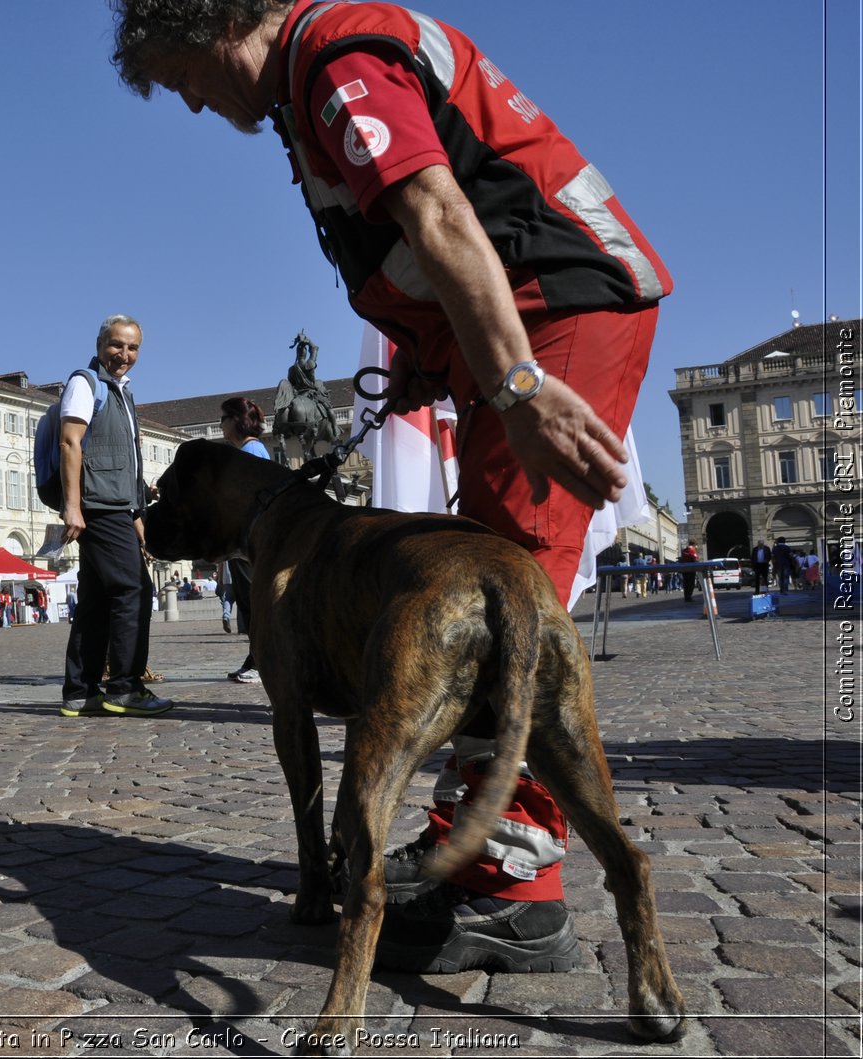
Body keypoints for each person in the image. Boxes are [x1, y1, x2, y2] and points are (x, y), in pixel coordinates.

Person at [112, 0, 669, 972]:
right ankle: (484, 840)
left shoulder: (332, 58)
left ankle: (513, 884)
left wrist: (517, 383)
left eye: (179, 78)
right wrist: (427, 348)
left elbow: (439, 212)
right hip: (510, 319)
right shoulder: (311, 83)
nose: (194, 105)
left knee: (513, 588)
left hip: (548, 312)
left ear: (209, 30)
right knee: (482, 579)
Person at [58, 314, 173, 719]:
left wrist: (138, 520)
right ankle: (124, 687)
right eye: (116, 345)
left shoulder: (121, 394)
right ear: (99, 343)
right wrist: (72, 506)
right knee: (134, 590)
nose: (124, 354)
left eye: (132, 348)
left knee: (95, 600)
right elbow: (70, 442)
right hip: (98, 507)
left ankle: (80, 690)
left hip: (116, 507)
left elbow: (125, 466)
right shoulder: (84, 384)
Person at [219, 396, 270, 684]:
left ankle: (261, 661)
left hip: (248, 543)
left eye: (223, 419)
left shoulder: (249, 452)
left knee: (254, 606)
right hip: (248, 543)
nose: (221, 425)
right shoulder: (254, 449)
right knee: (252, 606)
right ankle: (256, 658)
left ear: (236, 421)